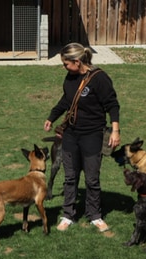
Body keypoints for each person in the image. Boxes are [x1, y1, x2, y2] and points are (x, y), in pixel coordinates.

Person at [44, 43, 121, 232]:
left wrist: (115, 130)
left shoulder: (99, 79)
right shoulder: (70, 78)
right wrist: (51, 117)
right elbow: (66, 100)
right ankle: (68, 215)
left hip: (93, 135)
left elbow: (112, 104)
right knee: (70, 177)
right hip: (71, 135)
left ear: (77, 62)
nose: (64, 67)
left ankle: (95, 215)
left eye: (66, 64)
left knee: (92, 179)